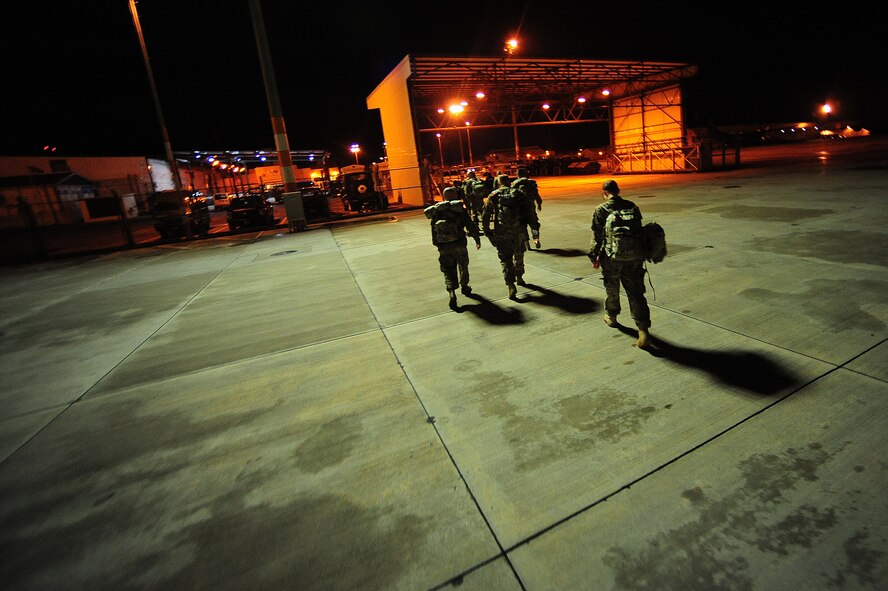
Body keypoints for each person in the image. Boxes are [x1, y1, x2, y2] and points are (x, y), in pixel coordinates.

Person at [588, 179, 652, 348]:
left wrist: (594, 256)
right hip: (634, 257)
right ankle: (643, 329)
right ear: (618, 190)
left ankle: (612, 316)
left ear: (604, 192)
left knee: (612, 288)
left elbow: (597, 236)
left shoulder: (600, 209)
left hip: (612, 258)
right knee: (636, 292)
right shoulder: (631, 205)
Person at [482, 174, 538, 299]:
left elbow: (485, 214)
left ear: (498, 183)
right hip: (518, 230)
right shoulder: (518, 193)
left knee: (505, 259)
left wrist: (487, 231)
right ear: (509, 182)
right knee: (519, 254)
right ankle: (519, 277)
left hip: (502, 232)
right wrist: (534, 227)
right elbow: (529, 211)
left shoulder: (493, 195)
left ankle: (510, 284)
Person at [425, 187, 481, 309]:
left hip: (444, 246)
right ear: (455, 196)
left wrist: (437, 244)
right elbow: (470, 225)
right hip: (459, 243)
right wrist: (477, 238)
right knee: (463, 265)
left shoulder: (436, 210)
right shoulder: (459, 209)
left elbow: (433, 229)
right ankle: (465, 286)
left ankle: (451, 292)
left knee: (448, 268)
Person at [512, 167, 542, 249]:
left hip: (520, 210)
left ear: (517, 175)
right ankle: (536, 240)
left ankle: (526, 243)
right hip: (530, 208)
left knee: (522, 226)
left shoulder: (515, 184)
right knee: (534, 225)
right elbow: (537, 196)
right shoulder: (531, 184)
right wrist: (539, 204)